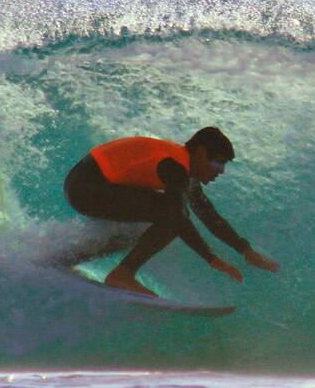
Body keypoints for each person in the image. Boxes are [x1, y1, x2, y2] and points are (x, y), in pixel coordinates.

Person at [63, 127, 279, 297]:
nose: (221, 170)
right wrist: (211, 258)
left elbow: (206, 213)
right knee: (169, 215)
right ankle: (123, 275)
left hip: (85, 185)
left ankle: (68, 258)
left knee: (145, 229)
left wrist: (245, 250)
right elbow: (178, 217)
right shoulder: (174, 168)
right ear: (201, 153)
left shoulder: (182, 167)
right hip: (88, 187)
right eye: (218, 162)